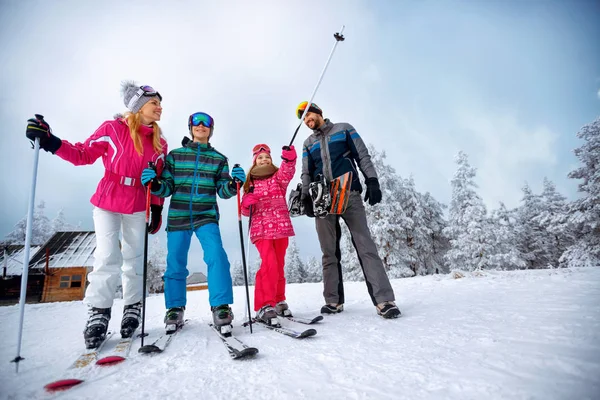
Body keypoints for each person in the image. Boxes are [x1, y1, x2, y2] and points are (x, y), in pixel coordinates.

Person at [25, 81, 168, 348]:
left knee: (134, 259)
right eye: (154, 103)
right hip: (109, 200)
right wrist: (51, 142)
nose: (160, 107)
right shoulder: (112, 129)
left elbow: (158, 179)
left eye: (160, 103)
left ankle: (132, 306)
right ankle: (99, 312)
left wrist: (157, 206)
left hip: (138, 202)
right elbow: (82, 154)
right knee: (106, 256)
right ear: (138, 106)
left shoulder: (160, 142)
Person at [141, 111, 245, 334]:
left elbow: (224, 191)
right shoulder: (175, 156)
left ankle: (221, 306)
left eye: (206, 122)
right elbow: (166, 187)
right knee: (175, 261)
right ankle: (174, 308)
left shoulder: (219, 159)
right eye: (196, 122)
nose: (201, 125)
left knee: (216, 255)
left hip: (206, 215)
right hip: (179, 215)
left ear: (211, 129)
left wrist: (235, 182)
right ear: (190, 128)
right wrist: (154, 182)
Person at [297, 101, 401, 319]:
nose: (307, 121)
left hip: (348, 193)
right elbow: (306, 172)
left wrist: (372, 179)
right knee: (329, 251)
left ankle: (384, 300)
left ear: (318, 112)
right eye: (304, 119)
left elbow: (362, 155)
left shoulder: (344, 129)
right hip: (322, 199)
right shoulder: (308, 143)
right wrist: (306, 196)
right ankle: (333, 300)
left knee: (365, 245)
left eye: (309, 115)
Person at [240, 143, 297, 326]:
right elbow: (245, 212)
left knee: (279, 264)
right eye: (260, 158)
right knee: (269, 263)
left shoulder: (277, 178)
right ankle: (264, 304)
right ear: (255, 161)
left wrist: (289, 159)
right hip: (261, 230)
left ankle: (278, 300)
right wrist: (246, 203)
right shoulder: (249, 183)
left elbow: (287, 172)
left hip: (280, 227)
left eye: (267, 157)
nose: (264, 160)